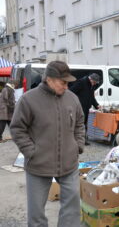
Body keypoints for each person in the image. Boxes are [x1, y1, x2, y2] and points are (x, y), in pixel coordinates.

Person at [10, 61, 85, 227]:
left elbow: (80, 123)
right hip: (38, 164)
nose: (66, 86)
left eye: (68, 83)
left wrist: (78, 145)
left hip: (69, 163)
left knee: (72, 208)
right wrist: (31, 151)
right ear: (49, 79)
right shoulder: (28, 99)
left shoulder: (72, 99)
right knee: (36, 214)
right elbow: (17, 128)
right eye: (63, 82)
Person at [70, 73, 100, 144]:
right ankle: (75, 139)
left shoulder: (92, 85)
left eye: (95, 83)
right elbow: (71, 91)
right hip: (79, 107)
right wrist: (76, 102)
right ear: (91, 79)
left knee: (85, 124)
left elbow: (92, 97)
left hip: (86, 107)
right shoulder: (82, 82)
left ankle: (83, 140)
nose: (94, 84)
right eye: (94, 82)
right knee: (79, 124)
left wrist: (97, 105)